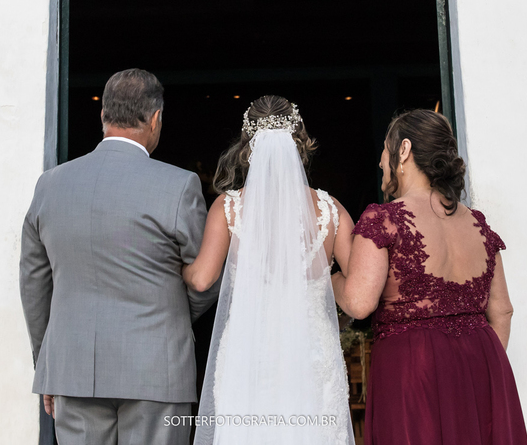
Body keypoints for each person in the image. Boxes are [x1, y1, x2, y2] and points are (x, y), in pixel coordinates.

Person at [19, 69, 218, 445]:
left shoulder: (50, 184)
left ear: (102, 116)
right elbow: (206, 278)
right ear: (156, 118)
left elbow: (34, 282)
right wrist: (168, 315)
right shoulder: (179, 185)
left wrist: (49, 365)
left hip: (72, 369)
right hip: (157, 368)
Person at [332, 110, 527, 445]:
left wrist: (330, 277)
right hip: (481, 364)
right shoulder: (478, 223)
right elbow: (503, 311)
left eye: (385, 149)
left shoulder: (384, 219)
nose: (381, 162)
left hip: (412, 367)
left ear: (404, 150)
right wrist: (484, 370)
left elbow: (359, 303)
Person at [182, 95, 355, 445]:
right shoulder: (331, 210)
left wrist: (179, 265)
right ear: (300, 144)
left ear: (248, 147)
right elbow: (358, 290)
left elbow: (201, 278)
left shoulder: (227, 207)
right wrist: (331, 279)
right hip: (311, 352)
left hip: (250, 352)